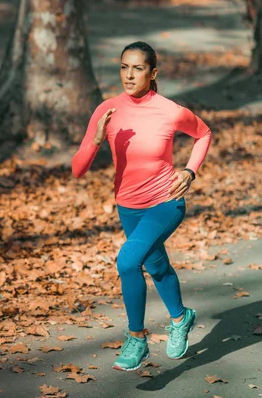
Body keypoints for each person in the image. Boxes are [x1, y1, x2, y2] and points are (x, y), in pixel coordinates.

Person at [71, 41, 212, 372]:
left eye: (137, 68)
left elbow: (203, 134)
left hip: (166, 202)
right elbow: (78, 170)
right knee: (156, 265)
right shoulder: (107, 110)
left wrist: (190, 171)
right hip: (128, 207)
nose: (129, 75)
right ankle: (181, 318)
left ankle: (136, 338)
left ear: (153, 73)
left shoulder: (169, 110)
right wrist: (95, 140)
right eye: (124, 67)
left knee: (127, 261)